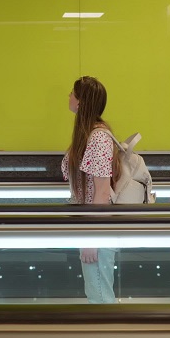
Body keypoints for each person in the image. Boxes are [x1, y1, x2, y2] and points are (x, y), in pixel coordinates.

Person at [61, 76, 120, 303]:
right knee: (97, 291)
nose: (69, 96)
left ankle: (110, 337)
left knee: (100, 295)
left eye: (72, 93)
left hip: (98, 229)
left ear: (81, 102)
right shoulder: (90, 135)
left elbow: (102, 191)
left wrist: (91, 237)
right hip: (91, 225)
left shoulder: (97, 138)